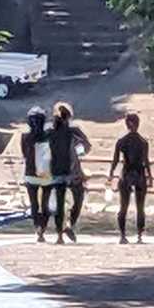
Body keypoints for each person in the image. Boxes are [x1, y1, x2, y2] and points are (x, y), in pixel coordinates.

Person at [47, 101, 91, 243]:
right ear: (69, 117)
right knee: (78, 199)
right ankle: (70, 224)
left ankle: (60, 235)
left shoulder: (50, 132)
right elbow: (87, 146)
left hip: (57, 171)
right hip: (73, 172)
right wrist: (78, 151)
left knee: (60, 203)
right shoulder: (73, 131)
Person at [108, 113, 153, 244]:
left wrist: (111, 173)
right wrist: (150, 175)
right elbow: (146, 160)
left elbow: (116, 160)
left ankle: (123, 235)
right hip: (139, 173)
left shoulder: (122, 141)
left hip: (127, 173)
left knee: (124, 206)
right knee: (140, 207)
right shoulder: (143, 142)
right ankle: (139, 235)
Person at [20, 106, 54, 242]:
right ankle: (43, 228)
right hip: (46, 173)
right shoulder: (49, 136)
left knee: (34, 203)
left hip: (30, 173)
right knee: (45, 203)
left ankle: (37, 228)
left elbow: (25, 154)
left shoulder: (25, 137)